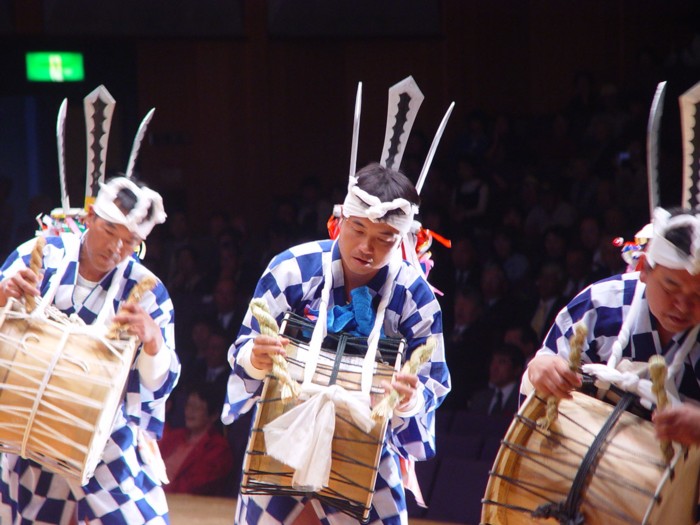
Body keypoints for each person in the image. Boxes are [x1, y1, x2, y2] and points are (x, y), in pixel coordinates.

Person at [222, 162, 451, 525]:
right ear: (340, 219)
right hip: (283, 436)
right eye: (358, 229)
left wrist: (409, 399)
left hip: (367, 448)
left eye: (384, 238)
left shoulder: (414, 295)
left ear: (404, 239)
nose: (366, 247)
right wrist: (256, 358)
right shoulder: (292, 267)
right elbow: (243, 349)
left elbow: (433, 379)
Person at [0, 176, 179, 524]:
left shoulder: (147, 291)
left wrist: (153, 341)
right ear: (91, 216)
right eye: (110, 231)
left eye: (130, 241)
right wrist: (3, 295)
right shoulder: (39, 254)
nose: (116, 248)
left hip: (103, 434)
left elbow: (160, 385)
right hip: (25, 426)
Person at [525, 207, 700, 446]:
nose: (682, 306)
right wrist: (541, 368)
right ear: (643, 270)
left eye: (698, 295)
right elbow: (544, 367)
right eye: (671, 288)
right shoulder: (600, 304)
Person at [160, 383, 234, 495]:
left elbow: (194, 487)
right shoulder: (175, 436)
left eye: (197, 407)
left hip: (183, 504)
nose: (190, 411)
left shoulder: (219, 449)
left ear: (213, 415)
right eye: (188, 406)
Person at [468, 343, 525, 417]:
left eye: (502, 362)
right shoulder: (479, 398)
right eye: (492, 362)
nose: (494, 368)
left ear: (517, 369)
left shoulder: (523, 399)